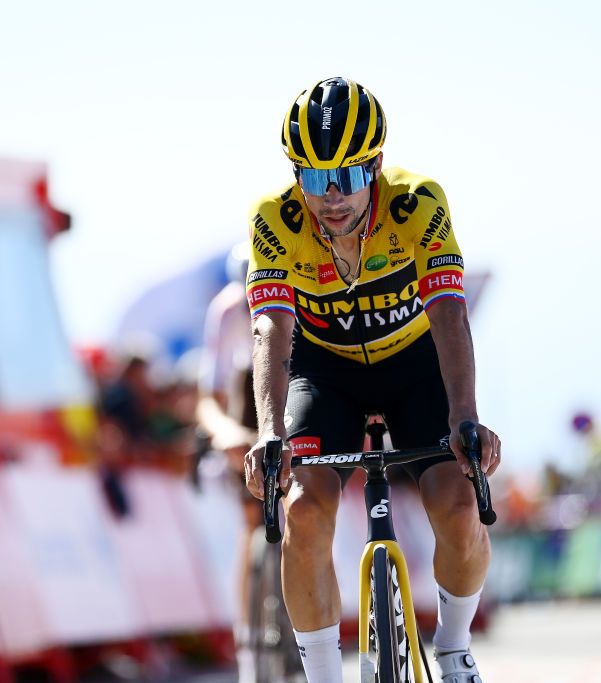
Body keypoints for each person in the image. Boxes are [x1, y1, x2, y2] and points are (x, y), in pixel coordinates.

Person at [243, 77, 502, 683]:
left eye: (351, 177)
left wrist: (465, 416)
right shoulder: (272, 220)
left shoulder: (419, 203)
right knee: (304, 509)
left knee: (459, 502)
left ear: (377, 165)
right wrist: (268, 433)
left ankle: (456, 648)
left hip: (414, 367)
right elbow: (270, 329)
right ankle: (324, 674)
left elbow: (448, 313)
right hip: (324, 371)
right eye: (313, 178)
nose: (332, 197)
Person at [194, 242, 260, 682]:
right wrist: (228, 436)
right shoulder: (227, 310)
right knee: (252, 518)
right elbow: (208, 400)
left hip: (294, 387)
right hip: (244, 399)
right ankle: (250, 643)